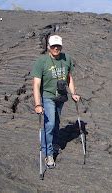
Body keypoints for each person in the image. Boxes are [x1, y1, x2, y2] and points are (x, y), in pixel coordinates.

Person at [32, 34, 80, 168]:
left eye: (58, 45)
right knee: (50, 124)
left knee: (57, 122)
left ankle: (52, 144)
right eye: (53, 46)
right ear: (48, 47)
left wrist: (73, 93)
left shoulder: (66, 59)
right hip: (47, 96)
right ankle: (48, 153)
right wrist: (37, 104)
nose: (56, 48)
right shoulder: (41, 62)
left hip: (61, 96)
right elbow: (36, 84)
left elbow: (69, 78)